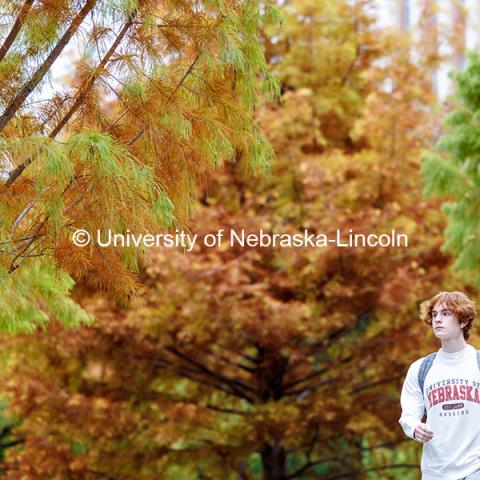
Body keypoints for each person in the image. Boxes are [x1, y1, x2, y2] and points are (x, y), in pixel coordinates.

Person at [399, 291, 480, 480]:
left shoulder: (478, 363)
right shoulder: (420, 369)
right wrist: (415, 427)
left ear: (463, 321)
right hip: (436, 472)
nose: (437, 320)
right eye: (434, 315)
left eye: (445, 314)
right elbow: (408, 415)